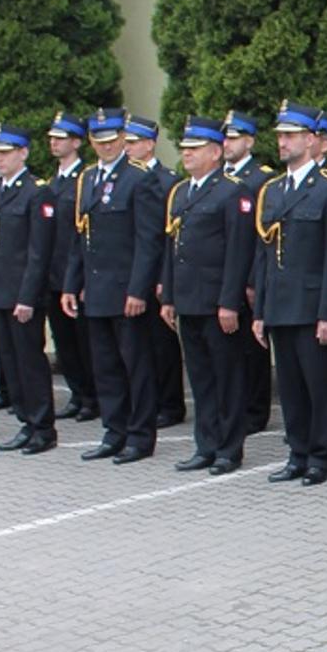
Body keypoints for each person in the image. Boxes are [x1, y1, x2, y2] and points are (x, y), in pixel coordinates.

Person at [253, 102, 327, 486]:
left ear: (312, 140)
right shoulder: (273, 191)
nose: (282, 142)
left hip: (312, 306)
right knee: (291, 389)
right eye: (280, 135)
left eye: (291, 135)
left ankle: (321, 457)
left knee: (319, 387)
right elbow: (265, 255)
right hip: (279, 303)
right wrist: (260, 310)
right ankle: (297, 453)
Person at [63, 108, 166, 465]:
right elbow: (82, 236)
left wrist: (138, 291)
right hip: (96, 289)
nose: (106, 147)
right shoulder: (88, 178)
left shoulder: (139, 178)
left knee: (135, 366)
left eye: (112, 140)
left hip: (126, 292)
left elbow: (148, 241)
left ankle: (140, 436)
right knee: (105, 366)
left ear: (123, 138)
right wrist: (70, 284)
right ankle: (114, 431)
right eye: (99, 141)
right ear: (91, 141)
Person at [161, 116, 257, 475]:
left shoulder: (232, 191)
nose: (186, 153)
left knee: (227, 377)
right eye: (184, 148)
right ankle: (206, 444)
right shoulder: (181, 192)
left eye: (194, 148)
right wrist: (169, 297)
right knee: (200, 378)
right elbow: (174, 249)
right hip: (189, 300)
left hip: (218, 303)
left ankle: (229, 449)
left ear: (216, 152)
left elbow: (238, 251)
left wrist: (229, 302)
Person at [0, 125, 60, 454]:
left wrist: (27, 297)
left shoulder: (36, 192)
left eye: (5, 152)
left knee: (29, 361)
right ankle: (26, 422)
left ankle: (43, 427)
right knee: (9, 362)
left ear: (23, 153)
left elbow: (39, 253)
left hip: (23, 295)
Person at [125, 115, 188, 429]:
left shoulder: (167, 181)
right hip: (134, 274)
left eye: (133, 143)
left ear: (150, 144)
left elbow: (167, 237)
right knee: (141, 347)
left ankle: (170, 403)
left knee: (162, 345)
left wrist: (166, 278)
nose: (128, 149)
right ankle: (152, 401)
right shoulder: (125, 179)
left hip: (160, 276)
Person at [223, 109, 276, 437]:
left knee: (253, 348)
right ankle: (239, 406)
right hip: (227, 277)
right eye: (225, 137)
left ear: (250, 141)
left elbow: (263, 236)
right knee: (232, 350)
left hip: (251, 276)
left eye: (234, 138)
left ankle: (256, 410)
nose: (227, 144)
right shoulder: (221, 179)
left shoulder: (261, 178)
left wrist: (256, 281)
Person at [45, 112, 99, 422]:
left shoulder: (85, 179)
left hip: (75, 272)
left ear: (77, 142)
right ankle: (78, 394)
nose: (54, 142)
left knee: (84, 342)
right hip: (54, 272)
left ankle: (92, 396)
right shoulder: (55, 180)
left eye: (61, 137)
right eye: (52, 137)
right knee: (64, 341)